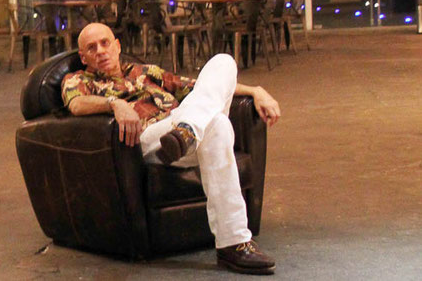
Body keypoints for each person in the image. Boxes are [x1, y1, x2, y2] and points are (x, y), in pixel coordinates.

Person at [62, 23, 281, 275]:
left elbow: (202, 87)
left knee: (223, 63)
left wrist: (256, 91)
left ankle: (188, 131)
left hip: (180, 131)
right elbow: (77, 105)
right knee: (217, 122)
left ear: (117, 45)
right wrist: (115, 103)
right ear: (83, 57)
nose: (100, 51)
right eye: (92, 48)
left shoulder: (145, 71)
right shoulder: (78, 80)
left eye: (105, 43)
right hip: (151, 139)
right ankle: (234, 243)